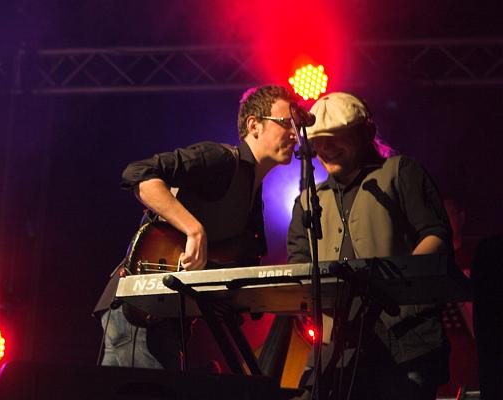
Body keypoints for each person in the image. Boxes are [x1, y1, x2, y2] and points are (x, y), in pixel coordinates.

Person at [94, 85, 310, 370]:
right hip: (139, 304)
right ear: (254, 126)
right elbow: (139, 175)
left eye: (296, 126)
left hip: (169, 313)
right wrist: (194, 230)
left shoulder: (252, 194)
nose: (295, 134)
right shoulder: (221, 159)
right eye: (285, 123)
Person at [287, 92, 452, 399]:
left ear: (366, 133)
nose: (326, 147)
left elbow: (436, 235)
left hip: (406, 340)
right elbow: (299, 268)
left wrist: (397, 288)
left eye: (336, 136)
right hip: (337, 352)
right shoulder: (308, 201)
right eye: (319, 140)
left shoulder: (400, 172)